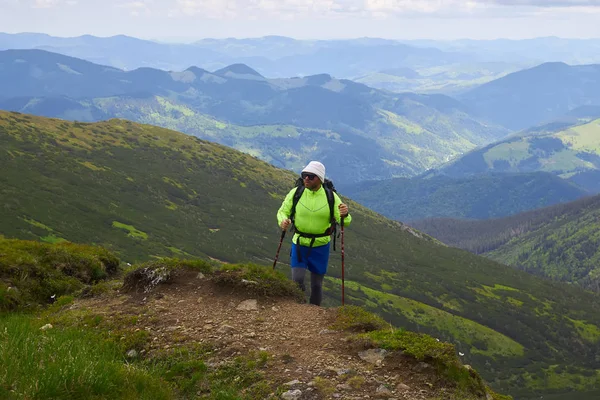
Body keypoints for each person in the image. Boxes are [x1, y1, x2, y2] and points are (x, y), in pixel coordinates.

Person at [276, 161, 352, 306]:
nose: (306, 179)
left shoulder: (331, 197)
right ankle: (299, 309)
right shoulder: (296, 193)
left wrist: (345, 214)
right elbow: (283, 211)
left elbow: (345, 221)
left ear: (320, 179)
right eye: (304, 175)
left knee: (317, 285)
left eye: (311, 176)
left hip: (321, 246)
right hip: (299, 244)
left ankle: (314, 315)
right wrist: (283, 221)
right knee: (297, 280)